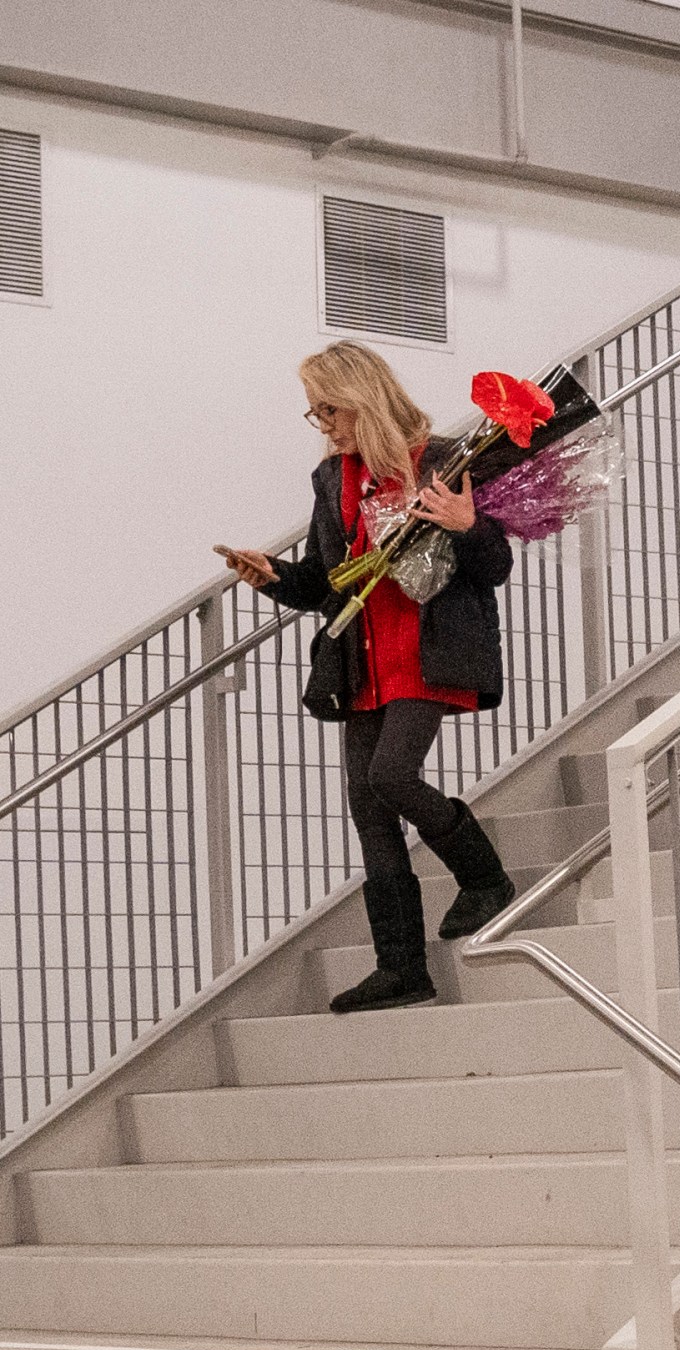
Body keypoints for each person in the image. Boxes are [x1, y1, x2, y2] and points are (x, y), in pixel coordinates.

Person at [218, 341, 517, 1014]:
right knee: (370, 811)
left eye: (328, 408)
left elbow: (492, 563)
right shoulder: (334, 479)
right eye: (314, 413)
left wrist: (468, 525)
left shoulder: (444, 460)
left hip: (429, 652)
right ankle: (402, 968)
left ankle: (485, 877)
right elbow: (327, 582)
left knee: (392, 777)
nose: (323, 424)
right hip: (362, 661)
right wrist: (272, 576)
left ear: (363, 397)